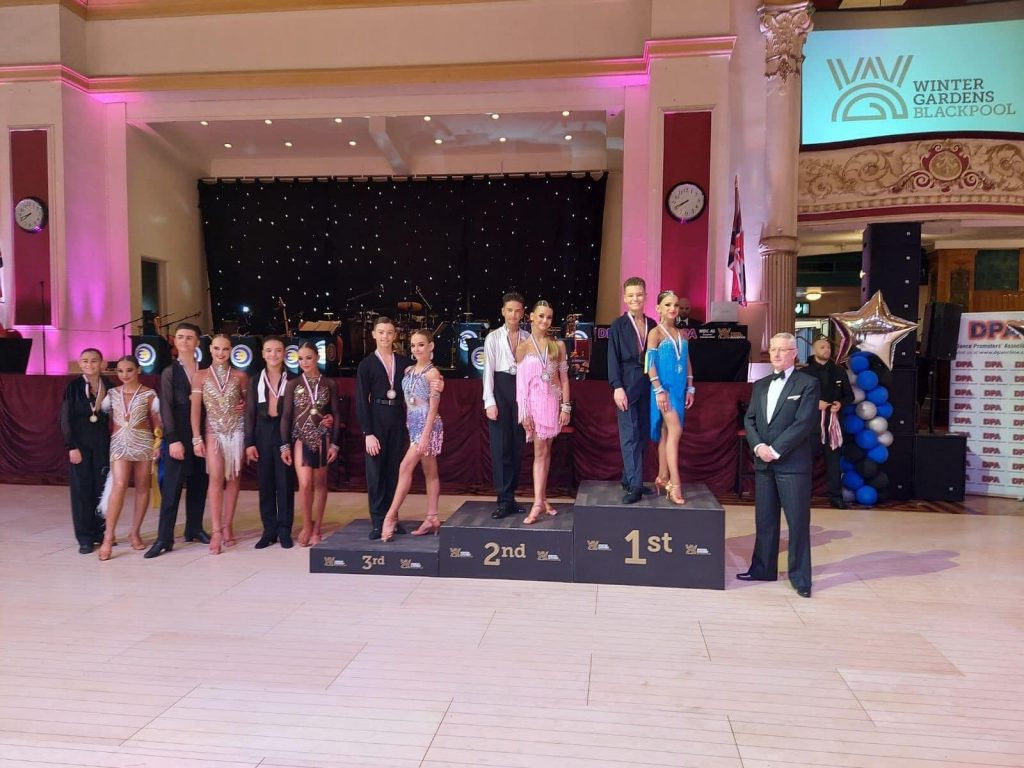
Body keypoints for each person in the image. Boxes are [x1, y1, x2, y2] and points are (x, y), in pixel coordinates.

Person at [738, 332, 820, 598]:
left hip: (792, 464)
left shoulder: (808, 383)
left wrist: (775, 450)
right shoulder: (761, 384)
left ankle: (800, 577)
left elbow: (803, 423)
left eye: (782, 349)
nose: (776, 354)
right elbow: (749, 419)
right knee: (765, 520)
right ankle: (762, 569)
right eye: (773, 349)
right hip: (764, 463)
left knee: (797, 523)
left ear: (794, 353)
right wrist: (759, 447)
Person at [146, 323, 210, 558]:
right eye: (180, 337)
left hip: (204, 436)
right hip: (179, 436)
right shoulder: (170, 372)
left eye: (189, 337)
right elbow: (166, 407)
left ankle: (194, 528)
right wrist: (172, 439)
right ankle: (164, 538)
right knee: (171, 489)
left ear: (197, 343)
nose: (184, 341)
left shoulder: (206, 369)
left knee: (199, 484)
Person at [382, 329, 444, 541]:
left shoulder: (432, 373)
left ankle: (390, 516)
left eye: (421, 344)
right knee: (430, 471)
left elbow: (434, 407)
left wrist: (425, 435)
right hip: (413, 424)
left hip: (428, 425)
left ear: (431, 346)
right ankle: (432, 517)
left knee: (405, 467)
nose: (417, 349)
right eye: (414, 345)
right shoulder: (408, 370)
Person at [97, 356, 161, 560]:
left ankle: (135, 531)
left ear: (138, 370)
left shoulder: (149, 394)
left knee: (142, 486)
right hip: (119, 443)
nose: (124, 375)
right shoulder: (111, 394)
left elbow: (157, 423)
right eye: (120, 371)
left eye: (129, 370)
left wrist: (158, 443)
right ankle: (108, 536)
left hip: (143, 442)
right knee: (119, 484)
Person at [191, 334, 249, 554]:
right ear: (210, 349)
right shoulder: (201, 376)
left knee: (233, 477)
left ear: (231, 350)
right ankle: (216, 530)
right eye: (216, 348)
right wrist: (196, 438)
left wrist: (245, 405)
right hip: (213, 431)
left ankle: (228, 525)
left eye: (225, 349)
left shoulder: (240, 375)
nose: (220, 353)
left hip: (237, 430)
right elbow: (196, 409)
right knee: (215, 477)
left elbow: (248, 403)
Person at [515, 300, 571, 524]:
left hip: (552, 402)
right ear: (531, 317)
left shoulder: (557, 345)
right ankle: (538, 502)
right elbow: (520, 386)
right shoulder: (522, 347)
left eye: (548, 317)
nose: (544, 321)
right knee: (540, 451)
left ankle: (542, 497)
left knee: (546, 450)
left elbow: (564, 379)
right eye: (540, 316)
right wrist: (524, 413)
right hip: (533, 405)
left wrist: (565, 406)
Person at [281, 341, 341, 546]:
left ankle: (317, 527)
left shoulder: (329, 383)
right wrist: (284, 445)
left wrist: (335, 443)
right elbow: (286, 416)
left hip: (322, 436)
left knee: (320, 483)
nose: (304, 362)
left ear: (317, 357)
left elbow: (336, 413)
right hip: (301, 437)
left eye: (308, 358)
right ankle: (307, 525)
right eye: (300, 359)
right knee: (305, 484)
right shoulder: (293, 384)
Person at [59, 348, 116, 553]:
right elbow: (65, 418)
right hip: (80, 444)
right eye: (85, 361)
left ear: (102, 363)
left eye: (94, 361)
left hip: (102, 444)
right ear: (80, 363)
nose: (89, 364)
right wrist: (71, 446)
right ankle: (84, 537)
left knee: (101, 488)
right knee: (82, 490)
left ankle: (100, 532)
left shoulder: (109, 385)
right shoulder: (73, 387)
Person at [608, 277, 655, 504]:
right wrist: (616, 386)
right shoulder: (618, 325)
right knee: (630, 435)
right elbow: (612, 358)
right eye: (631, 295)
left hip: (648, 383)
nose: (635, 298)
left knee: (643, 433)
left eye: (639, 294)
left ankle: (630, 479)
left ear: (645, 296)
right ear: (625, 298)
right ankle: (635, 486)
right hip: (626, 384)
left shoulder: (653, 324)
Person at [245, 336, 295, 548]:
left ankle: (284, 530)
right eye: (269, 350)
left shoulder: (293, 378)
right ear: (263, 354)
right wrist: (249, 442)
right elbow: (249, 412)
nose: (273, 354)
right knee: (265, 483)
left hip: (285, 432)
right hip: (263, 431)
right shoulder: (255, 379)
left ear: (284, 353)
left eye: (278, 350)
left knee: (285, 483)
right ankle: (269, 531)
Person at [647, 290, 695, 505]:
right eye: (667, 305)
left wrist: (691, 387)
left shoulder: (683, 334)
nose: (673, 309)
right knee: (675, 431)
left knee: (667, 433)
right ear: (658, 308)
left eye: (675, 305)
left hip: (679, 389)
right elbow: (649, 364)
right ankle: (675, 484)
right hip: (663, 390)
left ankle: (662, 476)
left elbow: (687, 361)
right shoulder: (655, 333)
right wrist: (658, 390)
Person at [483, 292, 528, 519]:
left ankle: (511, 497)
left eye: (517, 311)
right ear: (503, 311)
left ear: (523, 313)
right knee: (501, 448)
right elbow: (488, 372)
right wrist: (489, 401)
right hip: (500, 391)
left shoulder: (528, 337)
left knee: (517, 447)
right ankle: (503, 499)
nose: (513, 315)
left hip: (521, 393)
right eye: (509, 310)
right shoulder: (493, 337)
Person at [803, 336, 854, 509]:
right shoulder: (804, 373)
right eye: (822, 347)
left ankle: (835, 497)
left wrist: (840, 404)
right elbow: (798, 398)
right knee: (806, 462)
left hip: (833, 425)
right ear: (814, 350)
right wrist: (815, 404)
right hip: (811, 426)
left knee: (833, 463)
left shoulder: (839, 371)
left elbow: (850, 396)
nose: (827, 350)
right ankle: (802, 497)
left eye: (828, 348)